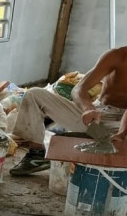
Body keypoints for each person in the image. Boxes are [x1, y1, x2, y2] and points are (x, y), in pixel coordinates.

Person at [10, 46, 127, 175]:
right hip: (98, 113)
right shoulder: (116, 56)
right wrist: (88, 109)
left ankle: (94, 142)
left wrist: (122, 133)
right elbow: (78, 89)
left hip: (122, 123)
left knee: (117, 146)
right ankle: (36, 155)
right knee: (34, 94)